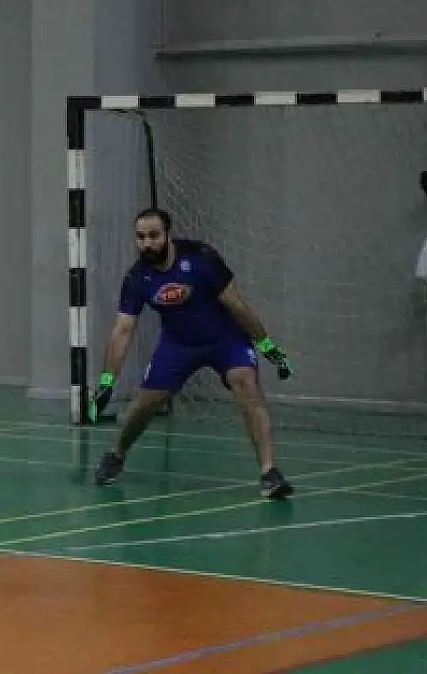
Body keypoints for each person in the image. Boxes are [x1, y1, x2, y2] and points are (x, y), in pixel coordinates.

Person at [89, 207, 295, 499]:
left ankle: (269, 471)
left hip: (226, 340)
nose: (147, 244)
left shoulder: (202, 258)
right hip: (178, 346)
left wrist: (266, 345)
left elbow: (237, 306)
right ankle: (116, 454)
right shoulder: (137, 278)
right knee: (147, 403)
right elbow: (123, 330)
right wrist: (107, 381)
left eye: (154, 236)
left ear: (168, 234)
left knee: (246, 383)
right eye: (140, 237)